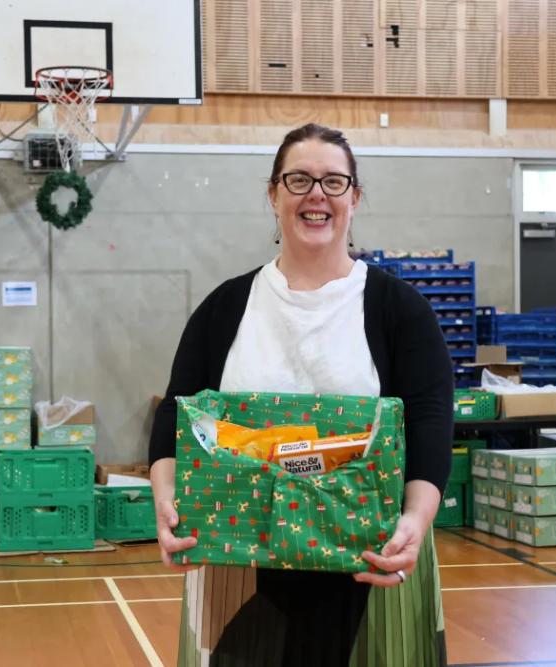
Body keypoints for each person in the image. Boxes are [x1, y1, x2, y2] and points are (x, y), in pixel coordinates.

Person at [149, 123, 454, 666]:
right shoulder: (225, 307)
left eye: (335, 182)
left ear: (355, 198)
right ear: (273, 194)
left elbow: (431, 421)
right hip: (241, 559)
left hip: (370, 559)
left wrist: (416, 521)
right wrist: (169, 505)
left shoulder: (400, 309)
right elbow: (175, 415)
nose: (317, 194)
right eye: (299, 179)